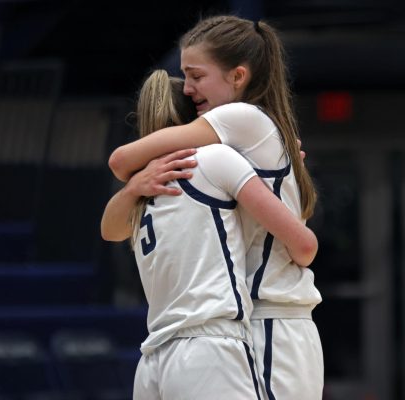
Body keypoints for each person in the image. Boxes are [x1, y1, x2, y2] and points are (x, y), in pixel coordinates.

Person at [108, 15, 324, 400]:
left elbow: (122, 160)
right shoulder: (252, 138)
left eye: (196, 75)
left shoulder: (240, 121)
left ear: (238, 77)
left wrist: (138, 177)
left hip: (270, 317)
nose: (189, 88)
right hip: (258, 320)